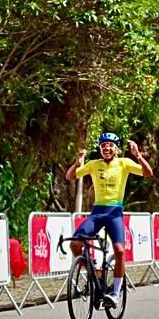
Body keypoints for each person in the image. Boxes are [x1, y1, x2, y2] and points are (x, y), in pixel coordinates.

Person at [65, 132, 152, 309]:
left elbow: (148, 173)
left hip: (114, 212)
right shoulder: (94, 164)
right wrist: (76, 164)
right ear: (100, 148)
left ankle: (115, 293)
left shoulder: (124, 163)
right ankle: (93, 269)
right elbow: (70, 176)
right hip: (97, 212)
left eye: (110, 145)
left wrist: (138, 156)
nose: (107, 148)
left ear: (116, 149)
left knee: (119, 251)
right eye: (104, 145)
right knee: (75, 244)